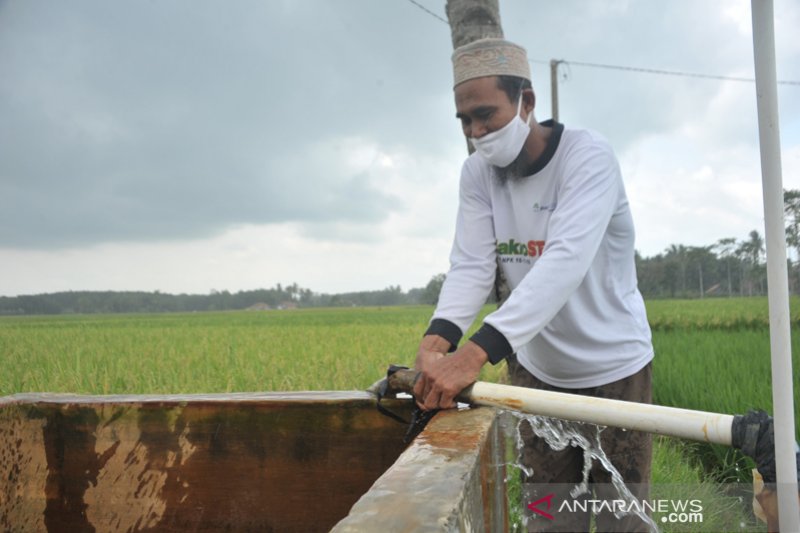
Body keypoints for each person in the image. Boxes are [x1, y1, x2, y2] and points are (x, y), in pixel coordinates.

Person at [412, 38, 654, 532]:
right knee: (548, 519)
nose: (477, 132)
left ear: (526, 102)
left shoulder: (587, 158)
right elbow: (471, 265)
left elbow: (565, 262)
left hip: (615, 370)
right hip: (537, 373)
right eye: (465, 121)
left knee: (620, 521)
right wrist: (437, 343)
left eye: (486, 115)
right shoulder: (478, 174)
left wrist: (475, 354)